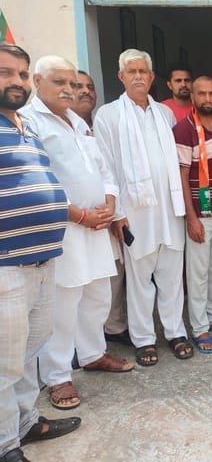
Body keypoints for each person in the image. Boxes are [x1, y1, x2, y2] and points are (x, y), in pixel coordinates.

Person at [21, 55, 134, 410]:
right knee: (63, 304)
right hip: (64, 228)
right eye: (60, 82)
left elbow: (103, 168)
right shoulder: (28, 122)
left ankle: (93, 354)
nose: (69, 90)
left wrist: (110, 202)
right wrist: (80, 214)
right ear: (37, 81)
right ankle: (57, 377)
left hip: (96, 224)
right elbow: (37, 181)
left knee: (97, 294)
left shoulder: (77, 121)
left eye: (72, 83)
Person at [0, 43, 80, 462]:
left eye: (20, 74)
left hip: (43, 259)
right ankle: (5, 445)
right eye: (5, 72)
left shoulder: (26, 126)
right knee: (4, 362)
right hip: (7, 265)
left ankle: (25, 422)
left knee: (29, 352)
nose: (15, 81)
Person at [95, 49, 193, 367]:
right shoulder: (109, 115)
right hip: (134, 212)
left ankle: (175, 332)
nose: (138, 76)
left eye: (143, 71)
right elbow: (105, 167)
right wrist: (117, 213)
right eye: (131, 71)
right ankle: (144, 339)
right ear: (121, 76)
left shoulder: (164, 114)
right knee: (139, 279)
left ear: (151, 78)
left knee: (171, 276)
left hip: (169, 209)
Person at [173, 76, 212, 354]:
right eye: (202, 94)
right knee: (197, 273)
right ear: (193, 97)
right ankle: (199, 328)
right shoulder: (184, 129)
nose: (207, 99)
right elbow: (182, 174)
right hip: (201, 213)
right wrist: (191, 217)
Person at [69, 71, 130, 346]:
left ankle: (112, 328)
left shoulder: (100, 124)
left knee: (111, 275)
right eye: (78, 86)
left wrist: (113, 209)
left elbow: (110, 172)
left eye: (90, 87)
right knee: (75, 282)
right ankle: (75, 343)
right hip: (73, 220)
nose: (85, 91)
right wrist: (82, 215)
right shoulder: (52, 128)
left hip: (106, 215)